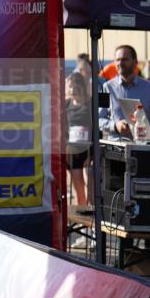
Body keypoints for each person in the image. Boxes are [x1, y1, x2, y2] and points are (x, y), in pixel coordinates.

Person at [100, 44, 150, 138]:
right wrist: (115, 126)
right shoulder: (107, 87)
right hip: (115, 146)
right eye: (117, 60)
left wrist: (144, 127)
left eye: (124, 59)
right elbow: (98, 119)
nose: (120, 63)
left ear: (135, 62)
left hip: (143, 145)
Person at [65, 72, 92, 206]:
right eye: (70, 86)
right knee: (79, 193)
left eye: (76, 86)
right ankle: (82, 223)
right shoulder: (65, 105)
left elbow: (96, 129)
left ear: (82, 86)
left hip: (89, 152)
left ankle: (93, 224)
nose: (73, 89)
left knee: (91, 192)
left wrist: (92, 153)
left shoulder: (90, 104)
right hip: (73, 153)